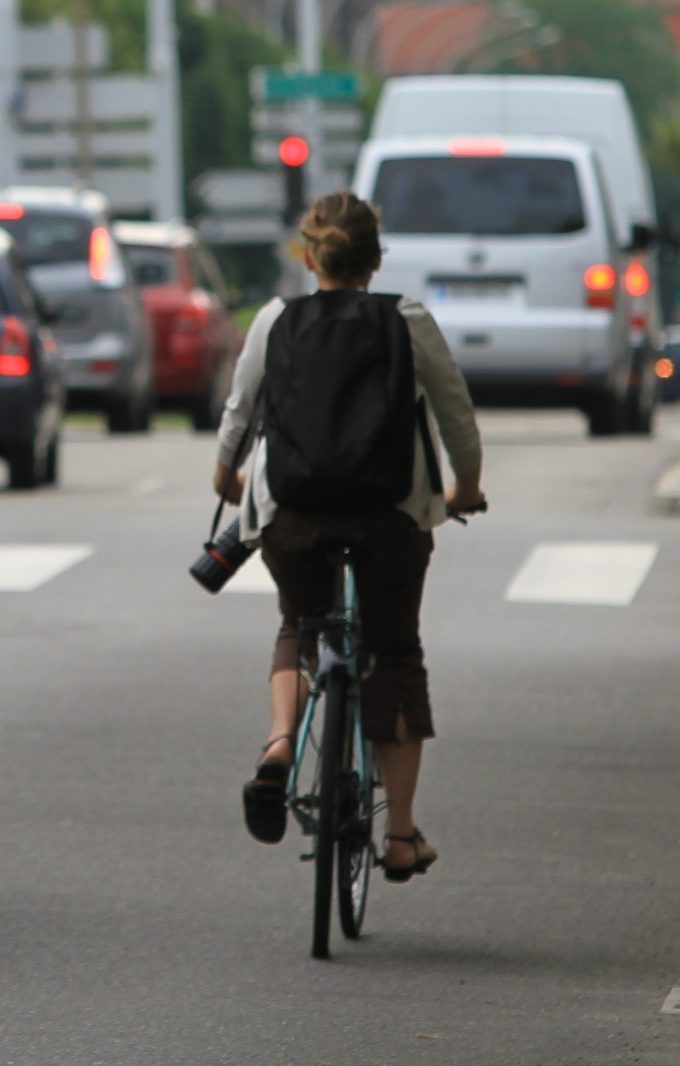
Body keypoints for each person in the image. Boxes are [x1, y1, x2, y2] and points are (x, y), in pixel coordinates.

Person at [213, 191, 483, 881]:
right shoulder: (407, 319)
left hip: (293, 512)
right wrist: (465, 487)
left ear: (309, 256)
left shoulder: (275, 319)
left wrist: (225, 477)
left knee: (299, 625)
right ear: (376, 258)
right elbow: (456, 415)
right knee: (394, 651)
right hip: (390, 513)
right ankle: (398, 836)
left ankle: (279, 746)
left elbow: (242, 410)